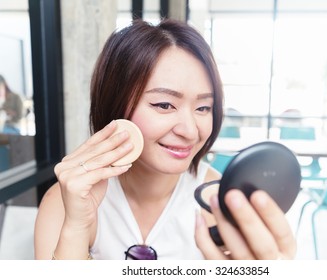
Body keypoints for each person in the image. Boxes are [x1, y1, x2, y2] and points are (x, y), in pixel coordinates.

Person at [34, 18, 296, 260]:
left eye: (203, 108)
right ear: (115, 104)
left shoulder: (221, 204)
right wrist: (76, 228)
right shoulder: (68, 201)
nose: (190, 132)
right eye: (164, 105)